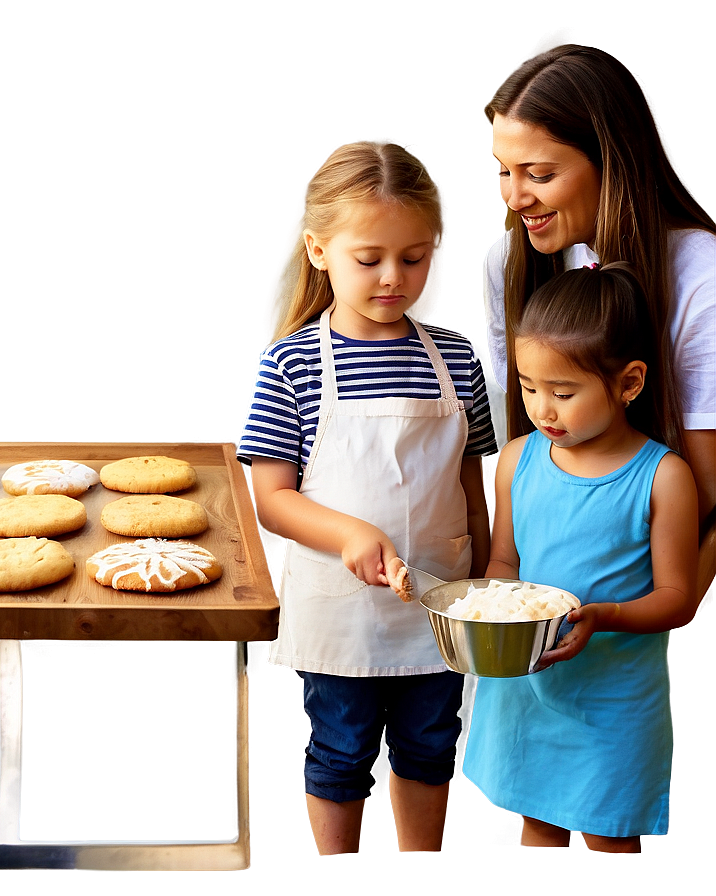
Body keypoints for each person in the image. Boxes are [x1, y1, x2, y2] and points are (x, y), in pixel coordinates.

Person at [237, 142, 498, 854]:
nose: (393, 277)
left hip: (441, 605)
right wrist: (350, 534)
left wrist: (494, 566)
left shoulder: (457, 356)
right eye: (369, 258)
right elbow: (271, 497)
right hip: (342, 612)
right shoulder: (290, 361)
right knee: (343, 751)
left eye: (414, 257)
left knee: (430, 744)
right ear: (319, 251)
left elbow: (472, 481)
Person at [462, 263, 699, 854]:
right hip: (527, 688)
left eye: (563, 393)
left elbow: (678, 599)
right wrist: (488, 619)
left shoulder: (663, 478)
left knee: (608, 840)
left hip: (613, 699)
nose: (543, 409)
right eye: (529, 386)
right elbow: (504, 567)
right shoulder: (516, 461)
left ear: (628, 383)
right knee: (536, 827)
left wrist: (602, 616)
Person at [481, 43, 715, 541]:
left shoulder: (702, 274)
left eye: (540, 175)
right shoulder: (506, 261)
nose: (514, 197)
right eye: (505, 170)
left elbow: (706, 485)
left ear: (612, 163)